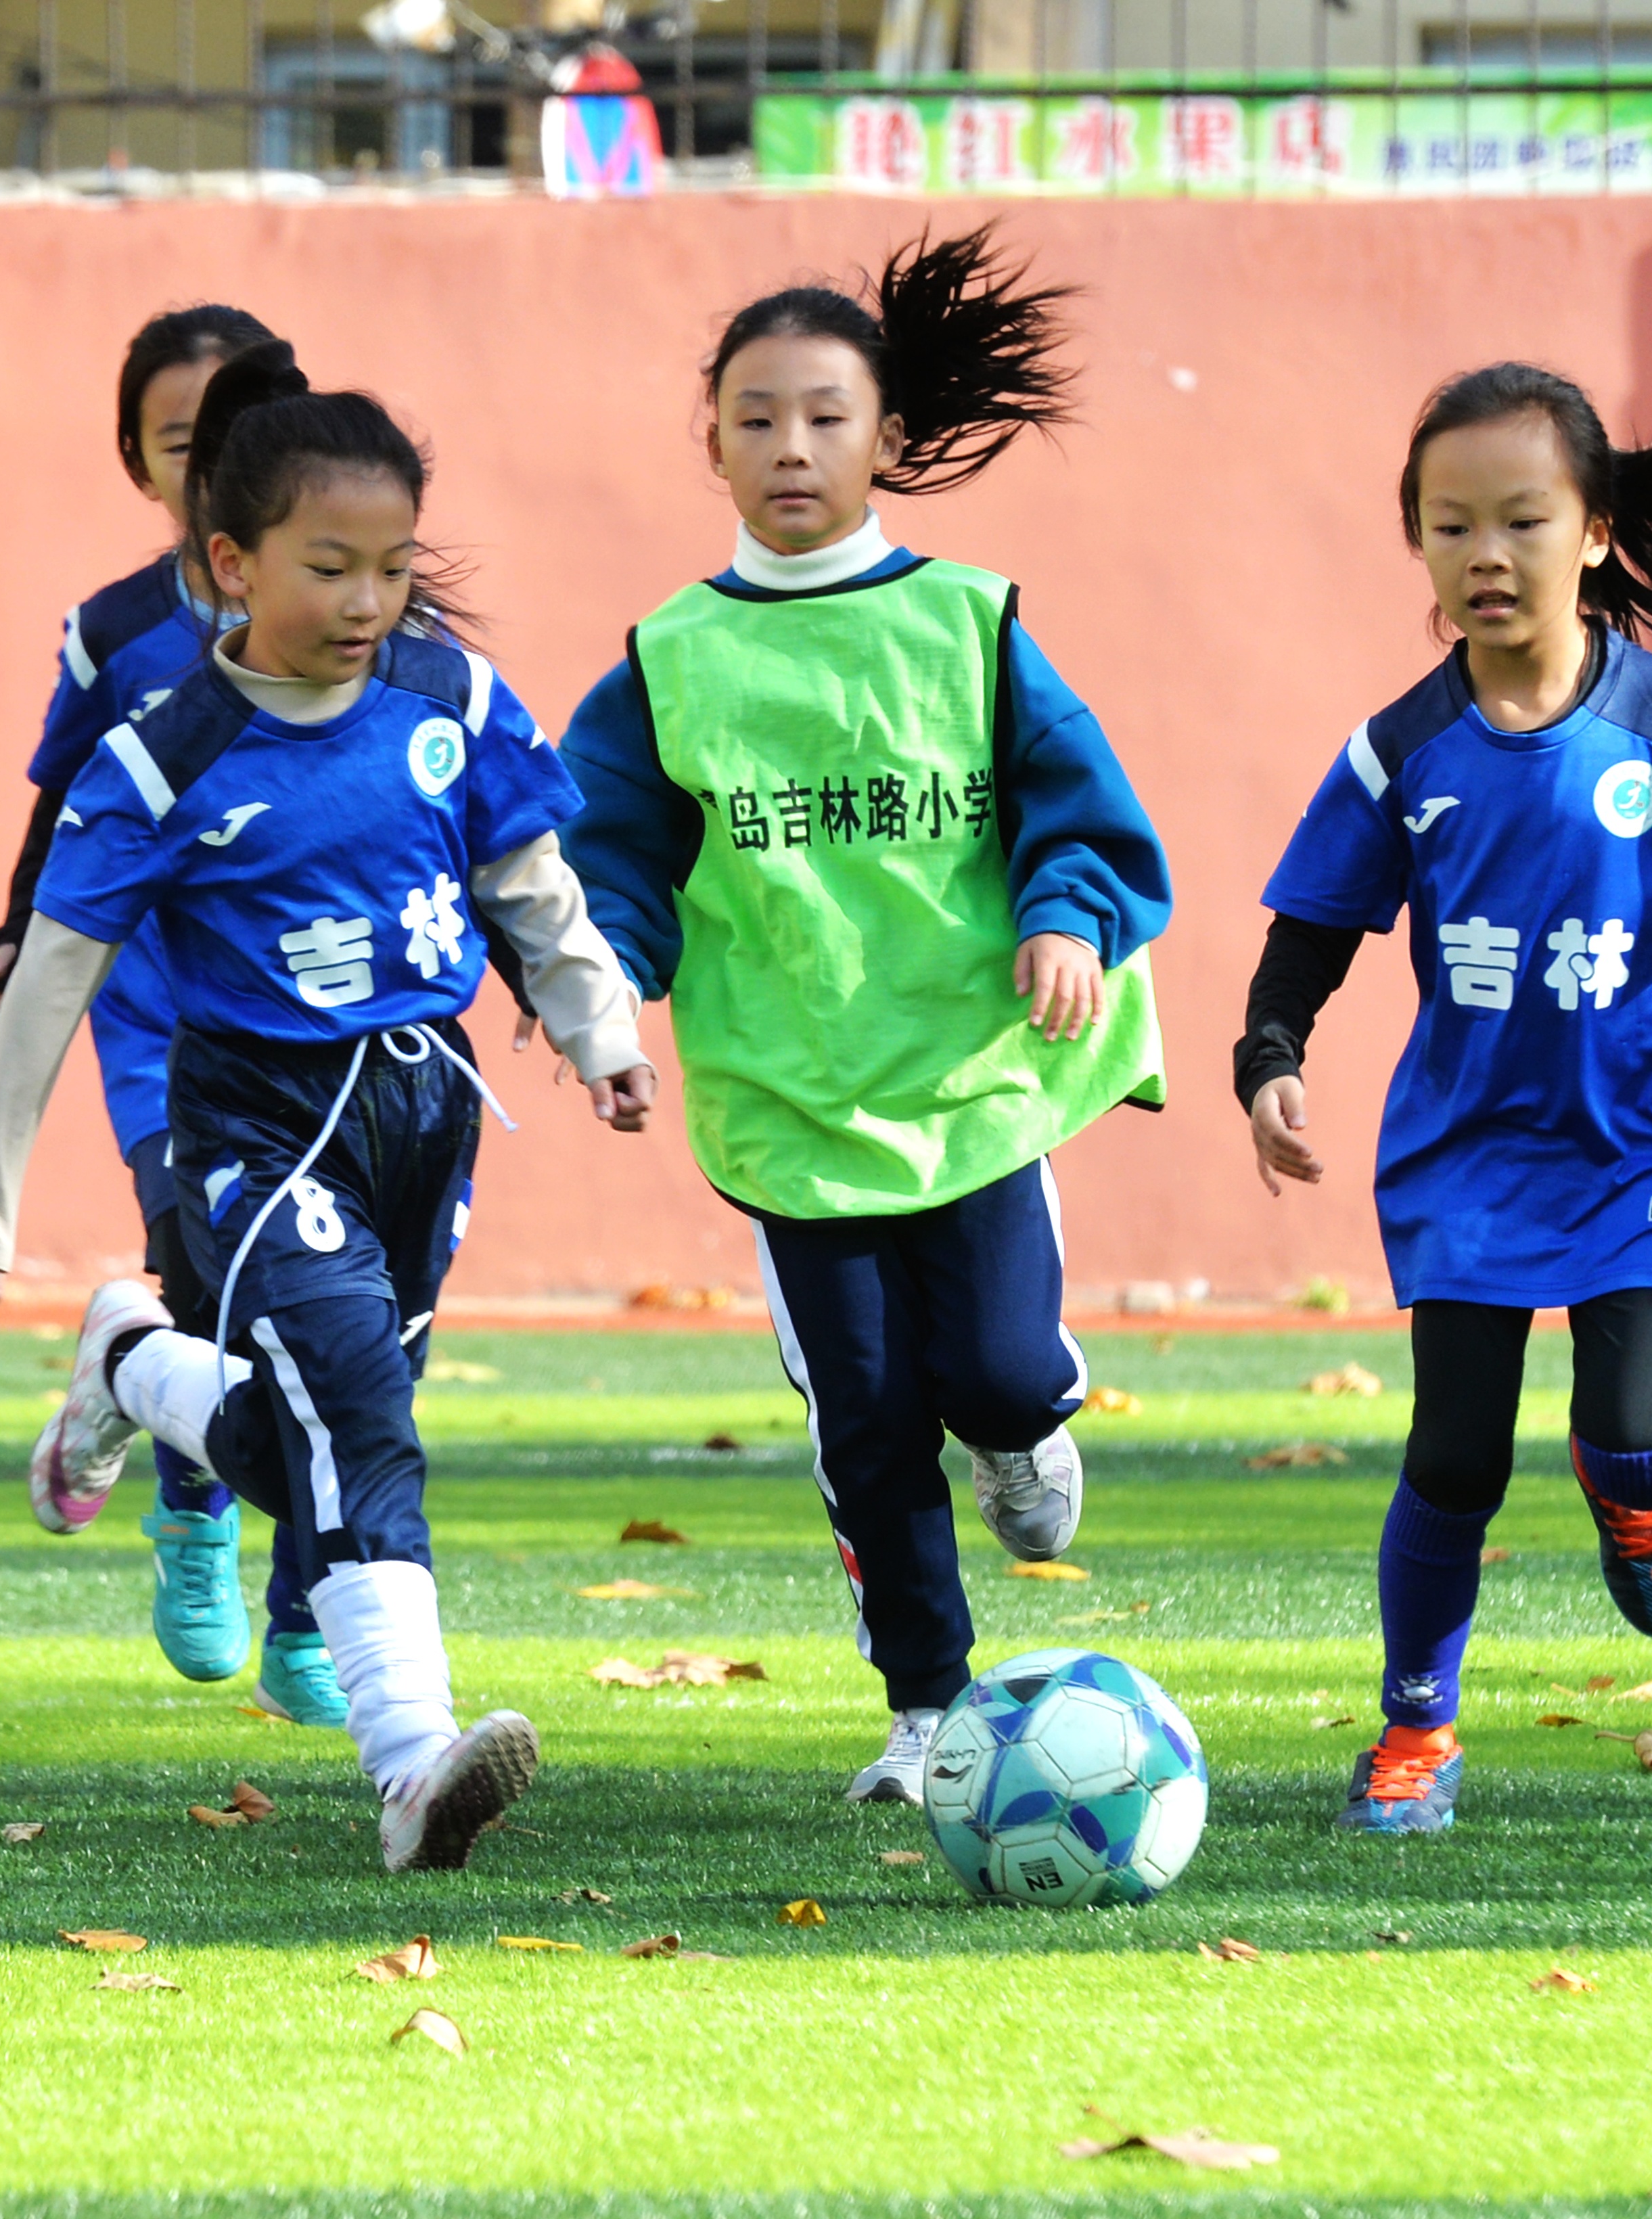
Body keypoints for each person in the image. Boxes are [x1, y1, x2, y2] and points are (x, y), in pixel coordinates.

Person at [0, 342, 656, 1871]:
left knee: (321, 1425)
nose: (367, 599)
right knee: (364, 1415)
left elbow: (525, 880)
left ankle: (132, 1362)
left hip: (423, 1108)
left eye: (392, 566)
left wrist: (598, 1031)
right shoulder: (159, 757)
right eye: (329, 566)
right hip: (250, 1123)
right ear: (229, 561)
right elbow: (53, 987)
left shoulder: (447, 695)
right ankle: (410, 1761)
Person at [1237, 362, 1652, 1836]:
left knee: (1636, 1426)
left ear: (1593, 531)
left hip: (1637, 1153)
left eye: (1521, 520)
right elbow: (1312, 925)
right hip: (1465, 1163)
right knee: (1452, 1458)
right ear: (1415, 539)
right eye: (1448, 523)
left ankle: (1637, 1495)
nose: (1484, 553)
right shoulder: (1401, 751)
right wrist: (1268, 1056)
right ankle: (1414, 1733)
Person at [558, 229, 1172, 1809]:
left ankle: (1030, 1425)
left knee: (990, 1370)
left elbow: (1079, 808)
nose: (790, 447)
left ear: (888, 440)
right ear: (709, 441)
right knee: (869, 1416)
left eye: (826, 416)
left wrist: (1064, 917)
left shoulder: (970, 621)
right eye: (755, 416)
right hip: (788, 1106)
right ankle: (926, 1707)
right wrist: (602, 994)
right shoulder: (666, 660)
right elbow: (607, 857)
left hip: (968, 1080)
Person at [0, 304, 349, 1729]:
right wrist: (13, 944)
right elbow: (65, 807)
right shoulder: (116, 633)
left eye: (243, 440)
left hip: (326, 1015)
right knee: (215, 1276)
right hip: (166, 1021)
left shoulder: (359, 621)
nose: (215, 469)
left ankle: (309, 1597)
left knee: (345, 1323)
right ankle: (196, 1504)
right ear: (137, 460)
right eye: (186, 445)